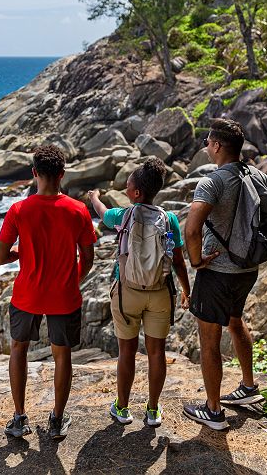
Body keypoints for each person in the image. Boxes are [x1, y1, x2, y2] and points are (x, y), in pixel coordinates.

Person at [182, 118, 267, 430]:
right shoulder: (259, 175)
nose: (206, 146)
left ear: (217, 146)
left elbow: (191, 229)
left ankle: (214, 410)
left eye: (208, 141)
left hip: (217, 271)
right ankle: (248, 387)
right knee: (235, 321)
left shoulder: (212, 182)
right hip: (247, 268)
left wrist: (196, 261)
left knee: (209, 340)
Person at [0, 145, 97, 441]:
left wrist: (18, 252)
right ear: (62, 174)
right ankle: (56, 420)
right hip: (63, 296)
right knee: (62, 356)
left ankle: (18, 417)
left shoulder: (19, 210)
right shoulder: (78, 210)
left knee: (18, 349)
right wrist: (73, 279)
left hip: (27, 294)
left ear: (34, 173)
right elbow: (87, 257)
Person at [87, 158, 191, 428]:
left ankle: (122, 408)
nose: (125, 188)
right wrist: (185, 290)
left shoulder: (123, 216)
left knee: (127, 351)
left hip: (127, 292)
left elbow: (101, 211)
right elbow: (178, 260)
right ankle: (153, 410)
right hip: (159, 292)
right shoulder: (169, 219)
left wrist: (94, 197)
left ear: (136, 193)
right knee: (156, 352)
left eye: (128, 185)